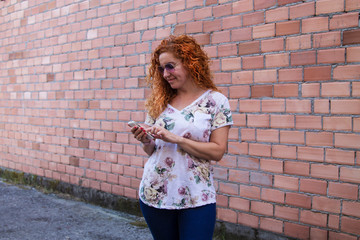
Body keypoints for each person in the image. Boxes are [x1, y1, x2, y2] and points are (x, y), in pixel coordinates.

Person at [129, 35, 233, 240]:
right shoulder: (159, 101)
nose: (165, 74)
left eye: (170, 66)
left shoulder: (215, 102)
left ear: (190, 62)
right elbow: (152, 150)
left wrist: (177, 139)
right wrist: (145, 139)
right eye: (161, 69)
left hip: (197, 195)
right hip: (155, 193)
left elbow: (218, 151)